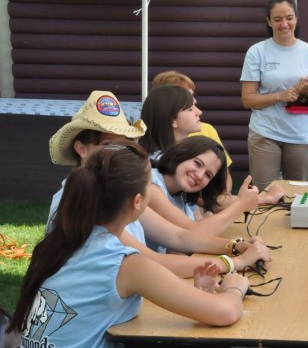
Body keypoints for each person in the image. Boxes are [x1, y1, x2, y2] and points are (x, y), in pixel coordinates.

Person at [8, 142, 249, 348]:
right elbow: (226, 312)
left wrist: (204, 291)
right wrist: (235, 285)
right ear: (137, 202)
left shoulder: (57, 245)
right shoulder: (124, 262)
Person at [46, 91, 268, 276]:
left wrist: (235, 245)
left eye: (124, 144)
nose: (118, 152)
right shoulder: (83, 202)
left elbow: (178, 236)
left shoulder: (117, 190)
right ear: (81, 148)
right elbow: (151, 260)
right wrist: (235, 263)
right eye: (107, 145)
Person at [240, 0, 308, 190]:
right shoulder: (257, 51)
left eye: (289, 18)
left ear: (296, 18)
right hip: (265, 133)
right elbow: (247, 100)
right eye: (277, 19)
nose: (284, 24)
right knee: (264, 195)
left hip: (301, 136)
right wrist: (279, 96)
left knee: (298, 195)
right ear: (268, 21)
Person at [151, 71, 285, 205]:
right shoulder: (155, 170)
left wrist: (223, 198)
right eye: (189, 106)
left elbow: (223, 179)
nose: (198, 110)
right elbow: (202, 213)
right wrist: (262, 199)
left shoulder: (206, 129)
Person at [147, 135, 262, 239]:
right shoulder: (150, 184)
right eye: (197, 163)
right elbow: (194, 233)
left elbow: (203, 225)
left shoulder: (182, 193)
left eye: (208, 175)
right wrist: (240, 205)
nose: (199, 175)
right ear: (181, 154)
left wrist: (241, 244)